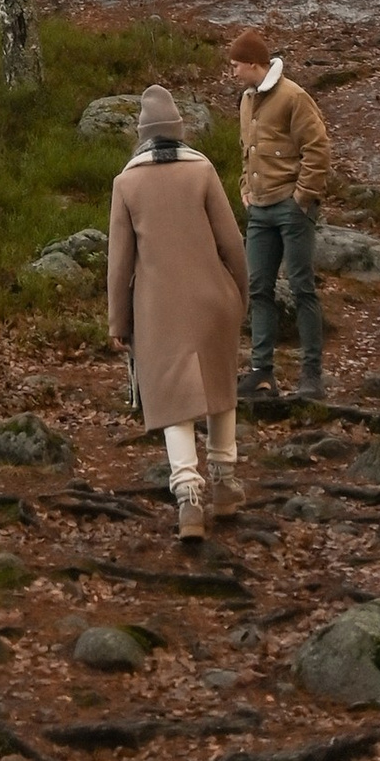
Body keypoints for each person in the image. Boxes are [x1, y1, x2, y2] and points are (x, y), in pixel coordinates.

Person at [106, 82, 249, 543]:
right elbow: (232, 243)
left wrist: (118, 322)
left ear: (142, 134)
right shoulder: (202, 170)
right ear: (178, 130)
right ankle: (226, 483)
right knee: (219, 388)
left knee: (174, 403)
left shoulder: (126, 183)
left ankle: (189, 499)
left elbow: (120, 263)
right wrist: (239, 297)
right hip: (213, 299)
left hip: (157, 310)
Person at [226, 23, 332, 405]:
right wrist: (244, 189)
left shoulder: (293, 97)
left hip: (291, 209)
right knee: (258, 289)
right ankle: (261, 371)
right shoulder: (246, 100)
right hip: (260, 210)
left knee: (303, 287)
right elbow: (246, 151)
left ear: (254, 64)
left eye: (237, 65)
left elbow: (317, 148)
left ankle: (311, 375)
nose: (233, 72)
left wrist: (302, 198)